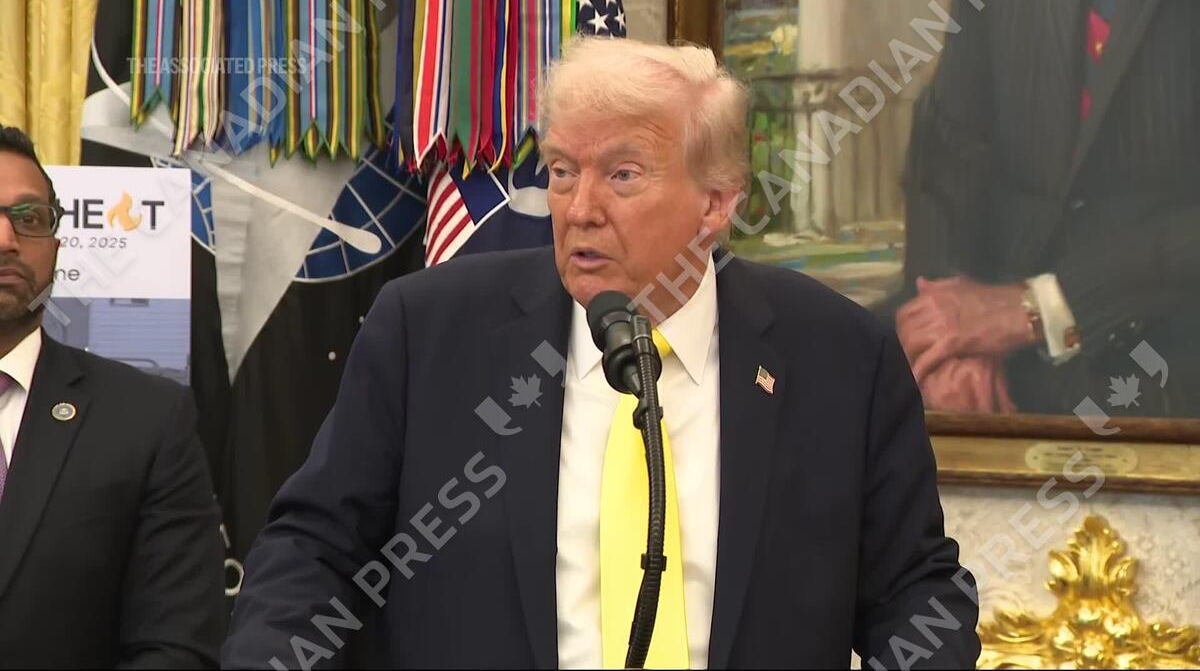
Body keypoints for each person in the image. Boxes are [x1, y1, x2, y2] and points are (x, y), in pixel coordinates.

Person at [223, 38, 979, 669]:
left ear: (716, 201)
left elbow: (917, 593)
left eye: (622, 174)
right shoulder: (428, 332)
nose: (579, 209)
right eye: (561, 171)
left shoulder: (840, 357)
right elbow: (312, 552)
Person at [898, 0, 1200, 416]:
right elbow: (949, 152)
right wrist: (944, 341)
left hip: (1159, 341)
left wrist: (1045, 307)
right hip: (992, 336)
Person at [0, 125, 224, 667]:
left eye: (29, 218)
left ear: (57, 246)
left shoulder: (147, 422)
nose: (6, 240)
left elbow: (175, 648)